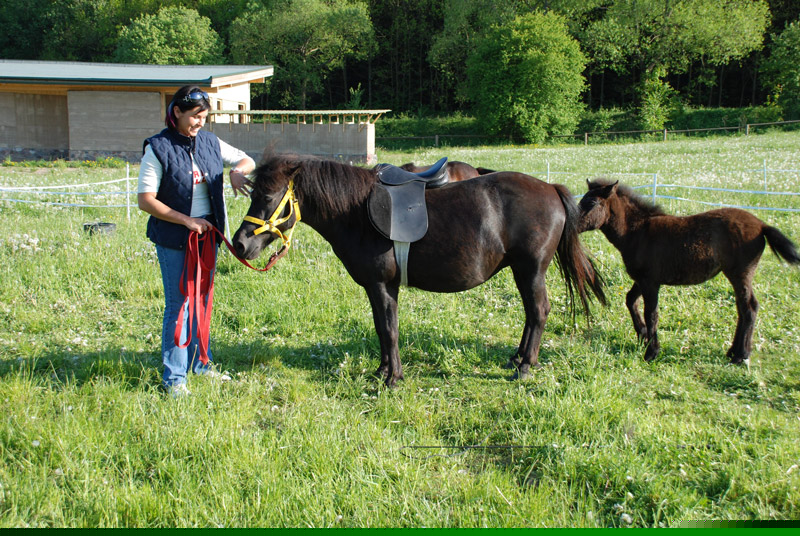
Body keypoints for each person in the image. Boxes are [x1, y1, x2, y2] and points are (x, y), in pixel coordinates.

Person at [138, 85, 255, 397]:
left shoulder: (209, 141)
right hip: (175, 239)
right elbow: (146, 200)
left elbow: (247, 160)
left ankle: (201, 364)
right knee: (180, 306)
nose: (200, 122)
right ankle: (175, 379)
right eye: (195, 116)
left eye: (204, 116)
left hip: (208, 239)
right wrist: (187, 220)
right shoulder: (157, 148)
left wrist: (237, 173)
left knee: (202, 302)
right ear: (177, 112)